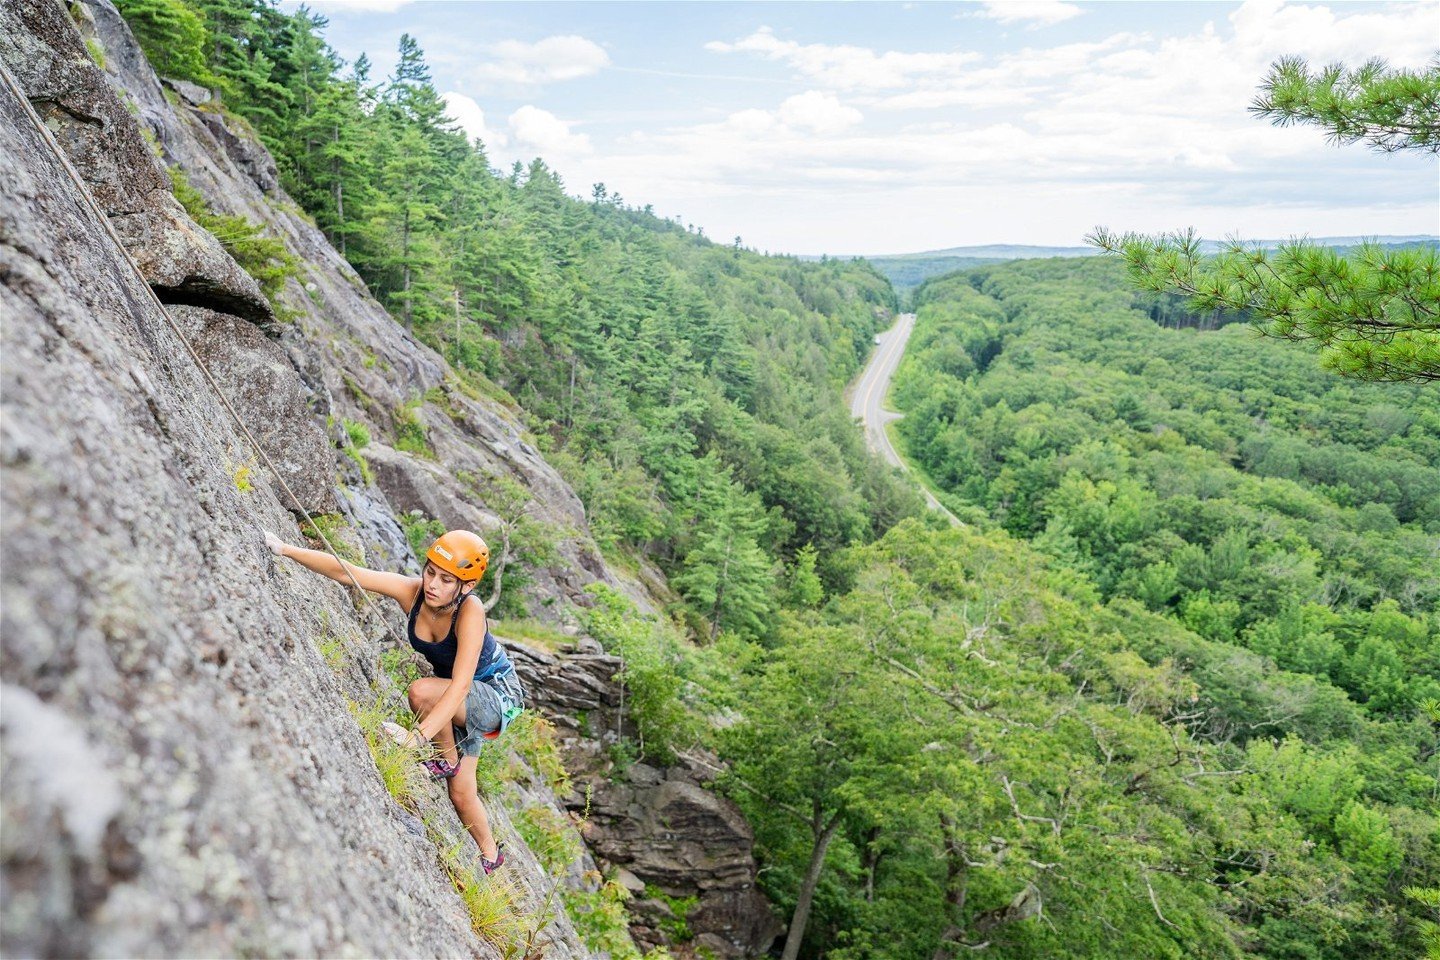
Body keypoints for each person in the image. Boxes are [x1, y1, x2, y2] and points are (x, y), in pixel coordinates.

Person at [263, 527, 524, 875]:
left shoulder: (470, 611)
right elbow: (348, 572)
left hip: (495, 695)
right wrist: (285, 550)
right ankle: (492, 857)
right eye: (430, 572)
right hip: (457, 696)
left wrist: (417, 739)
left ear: (467, 587)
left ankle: (444, 757)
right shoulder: (413, 593)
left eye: (447, 580)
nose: (433, 584)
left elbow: (460, 687)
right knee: (461, 794)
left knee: (421, 692)